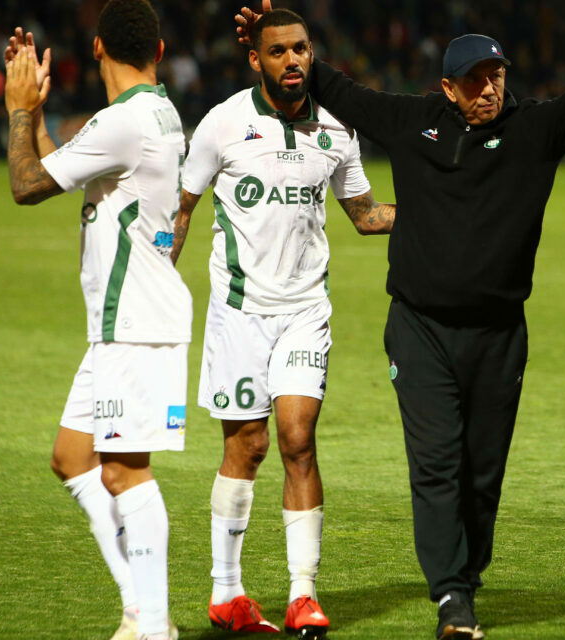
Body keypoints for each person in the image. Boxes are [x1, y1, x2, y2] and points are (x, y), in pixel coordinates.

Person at [235, 2, 565, 638]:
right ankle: (451, 597)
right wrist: (287, 48)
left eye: (497, 74)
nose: (490, 86)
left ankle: (466, 578)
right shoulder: (417, 122)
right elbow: (340, 91)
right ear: (447, 87)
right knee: (436, 462)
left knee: (482, 471)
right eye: (475, 78)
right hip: (419, 331)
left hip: (499, 335)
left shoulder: (533, 130)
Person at [172, 8, 395, 639]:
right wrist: (157, 282)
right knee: (248, 446)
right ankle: (227, 593)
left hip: (305, 311)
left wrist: (442, 212)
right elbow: (184, 210)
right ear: (256, 59)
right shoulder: (223, 124)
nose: (292, 61)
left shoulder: (337, 127)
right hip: (238, 312)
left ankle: (303, 596)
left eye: (301, 49)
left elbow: (364, 213)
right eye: (279, 52)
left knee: (298, 439)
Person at [2, 2, 189, 639]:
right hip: (125, 322)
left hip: (134, 320)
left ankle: (154, 623)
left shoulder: (124, 123)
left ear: (98, 47)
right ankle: (140, 607)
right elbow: (64, 166)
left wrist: (19, 108)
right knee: (71, 457)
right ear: (159, 53)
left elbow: (26, 184)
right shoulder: (152, 113)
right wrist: (43, 117)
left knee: (123, 471)